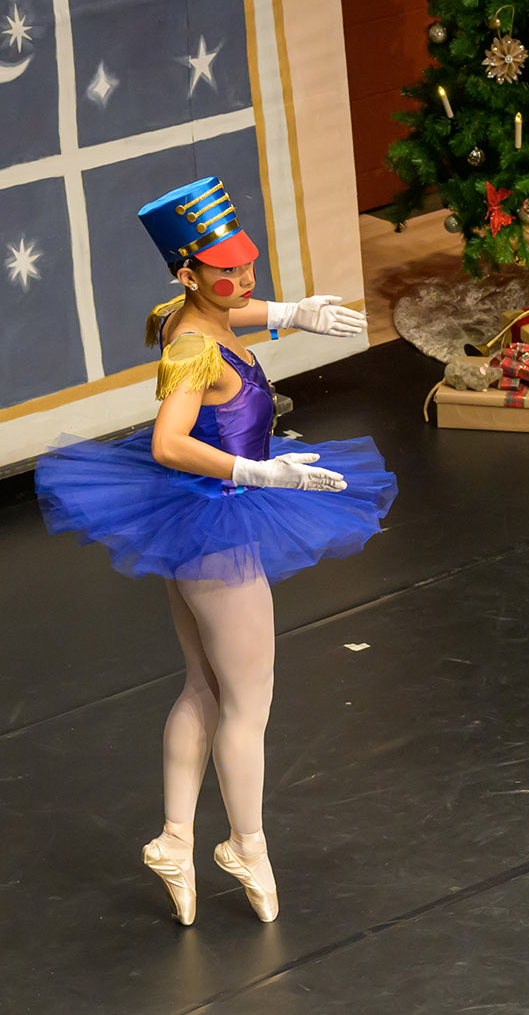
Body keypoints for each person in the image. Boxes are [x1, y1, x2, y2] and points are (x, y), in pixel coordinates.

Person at [34, 178, 396, 925]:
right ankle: (244, 843)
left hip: (199, 520)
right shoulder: (194, 347)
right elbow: (169, 443)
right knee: (249, 701)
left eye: (248, 266)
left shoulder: (189, 315)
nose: (244, 282)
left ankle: (174, 837)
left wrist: (293, 313)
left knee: (204, 682)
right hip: (219, 519)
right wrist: (256, 469)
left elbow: (229, 317)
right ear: (187, 273)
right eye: (226, 272)